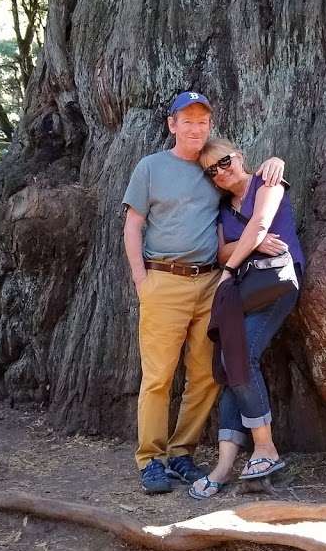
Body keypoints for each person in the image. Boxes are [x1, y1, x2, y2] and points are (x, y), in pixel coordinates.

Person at [122, 92, 285, 494]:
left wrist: (275, 163)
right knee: (158, 377)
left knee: (206, 376)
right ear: (172, 125)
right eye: (187, 121)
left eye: (202, 121)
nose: (196, 128)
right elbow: (133, 225)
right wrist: (142, 280)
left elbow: (247, 186)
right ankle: (151, 460)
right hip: (164, 280)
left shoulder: (214, 168)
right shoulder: (151, 167)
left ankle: (181, 453)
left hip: (211, 282)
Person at [187, 138, 305, 499]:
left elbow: (259, 223)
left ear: (238, 155)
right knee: (228, 366)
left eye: (224, 162)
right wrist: (245, 248)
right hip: (243, 292)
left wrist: (233, 264)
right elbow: (221, 249)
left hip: (273, 284)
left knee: (242, 359)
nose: (221, 172)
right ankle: (224, 468)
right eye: (212, 171)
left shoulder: (268, 180)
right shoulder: (223, 210)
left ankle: (265, 449)